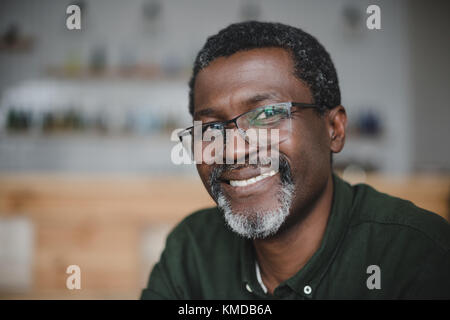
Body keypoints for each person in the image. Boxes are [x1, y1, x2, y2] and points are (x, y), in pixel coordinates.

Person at [141, 21, 450, 299]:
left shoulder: (417, 254)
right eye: (211, 129)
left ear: (334, 129)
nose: (233, 151)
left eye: (266, 115)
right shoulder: (192, 250)